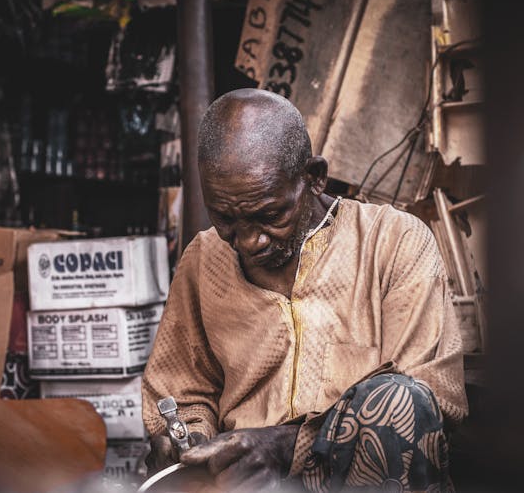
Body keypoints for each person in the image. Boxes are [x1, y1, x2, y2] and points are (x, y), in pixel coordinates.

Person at [141, 89, 468, 492]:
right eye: (224, 217)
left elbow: (426, 402)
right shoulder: (203, 259)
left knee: (397, 395)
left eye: (270, 215)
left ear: (314, 178)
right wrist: (187, 438)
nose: (248, 242)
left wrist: (287, 445)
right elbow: (181, 392)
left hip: (364, 482)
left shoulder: (395, 241)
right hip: (250, 485)